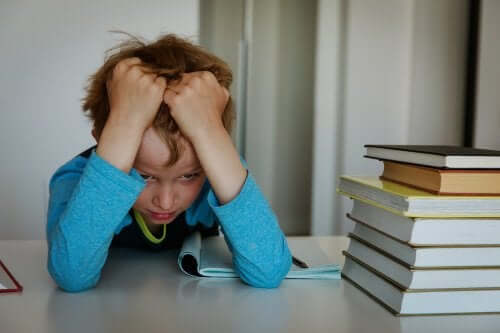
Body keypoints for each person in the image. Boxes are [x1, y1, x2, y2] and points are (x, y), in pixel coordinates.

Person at [46, 34, 292, 292]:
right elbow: (71, 275)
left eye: (188, 176)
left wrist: (210, 132)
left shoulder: (215, 169)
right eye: (143, 175)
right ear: (107, 142)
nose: (165, 202)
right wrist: (124, 122)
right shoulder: (76, 179)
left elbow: (268, 270)